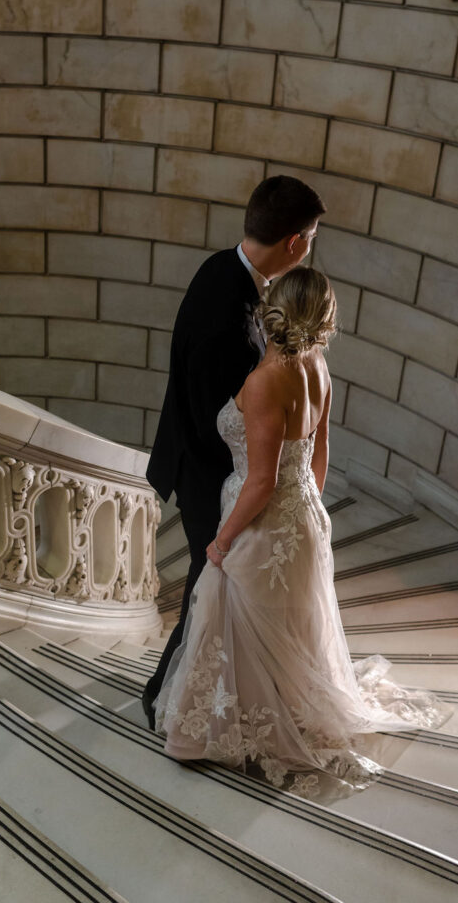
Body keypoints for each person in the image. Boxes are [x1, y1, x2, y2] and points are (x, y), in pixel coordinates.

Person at [153, 267, 451, 794]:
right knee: (284, 631)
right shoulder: (317, 366)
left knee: (240, 621)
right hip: (302, 516)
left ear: (272, 309)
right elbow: (319, 452)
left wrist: (222, 543)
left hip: (263, 525)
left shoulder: (264, 381)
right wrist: (309, 508)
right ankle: (281, 709)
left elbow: (262, 480)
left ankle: (220, 733)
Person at [142, 175, 324, 729]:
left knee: (218, 589)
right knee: (206, 584)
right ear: (295, 241)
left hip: (232, 470)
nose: (310, 245)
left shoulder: (222, 267)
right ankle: (164, 698)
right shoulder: (228, 307)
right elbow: (211, 416)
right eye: (311, 235)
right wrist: (244, 498)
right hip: (207, 471)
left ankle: (220, 695)